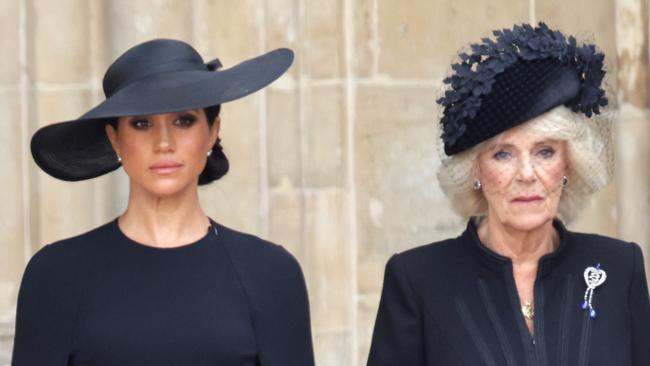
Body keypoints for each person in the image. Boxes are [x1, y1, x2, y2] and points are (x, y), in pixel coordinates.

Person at [12, 38, 314, 366]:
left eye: (183, 120)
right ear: (115, 137)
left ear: (213, 131)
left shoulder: (270, 273)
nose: (164, 143)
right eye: (142, 123)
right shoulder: (57, 274)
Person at [367, 23, 650, 366]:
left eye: (544, 152)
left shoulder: (620, 268)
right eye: (503, 154)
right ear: (475, 171)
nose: (527, 174)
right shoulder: (417, 281)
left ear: (568, 165)